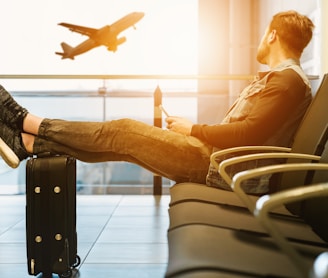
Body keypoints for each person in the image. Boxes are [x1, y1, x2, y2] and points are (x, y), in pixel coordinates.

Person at [0, 10, 315, 194]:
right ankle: (27, 143)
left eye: (264, 35)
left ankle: (23, 119)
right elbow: (250, 133)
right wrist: (193, 131)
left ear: (272, 36)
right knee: (123, 145)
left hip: (220, 167)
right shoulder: (286, 79)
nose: (261, 40)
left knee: (121, 131)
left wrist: (193, 129)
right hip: (220, 163)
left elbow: (248, 134)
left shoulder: (286, 81)